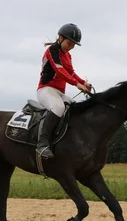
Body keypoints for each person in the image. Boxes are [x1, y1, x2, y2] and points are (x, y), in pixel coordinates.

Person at [35, 23, 92, 159]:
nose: (71, 47)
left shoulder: (68, 55)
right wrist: (76, 84)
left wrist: (83, 82)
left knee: (75, 108)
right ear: (60, 38)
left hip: (59, 92)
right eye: (69, 43)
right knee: (58, 107)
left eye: (73, 45)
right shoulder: (52, 50)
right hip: (45, 89)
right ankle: (42, 143)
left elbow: (71, 73)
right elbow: (59, 71)